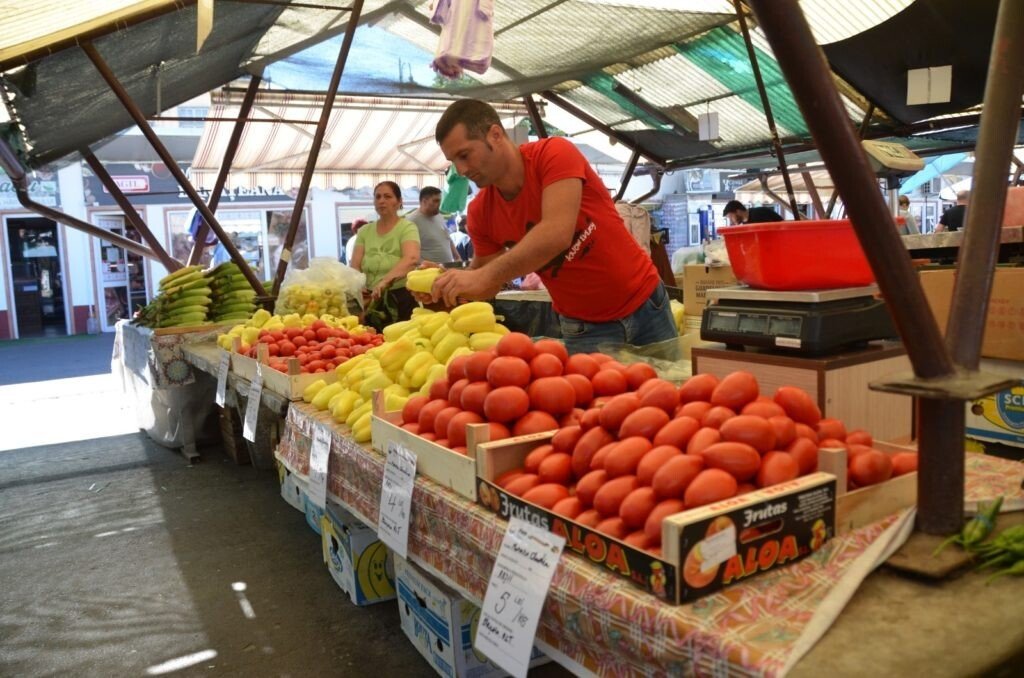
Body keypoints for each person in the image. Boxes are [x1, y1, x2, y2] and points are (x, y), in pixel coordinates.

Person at [420, 99, 677, 354]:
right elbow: (486, 281)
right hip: (585, 329)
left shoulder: (553, 153)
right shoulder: (480, 213)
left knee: (670, 393)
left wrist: (479, 276)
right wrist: (446, 286)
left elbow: (556, 233)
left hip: (646, 306)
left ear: (495, 135)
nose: (462, 169)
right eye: (454, 161)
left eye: (464, 155)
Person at [350, 182, 421, 326]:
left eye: (388, 196)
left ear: (399, 201)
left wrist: (385, 282)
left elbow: (411, 258)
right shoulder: (365, 231)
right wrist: (358, 284)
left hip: (400, 298)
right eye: (378, 197)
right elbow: (355, 264)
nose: (382, 201)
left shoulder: (407, 227)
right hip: (370, 300)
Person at [407, 186, 460, 264]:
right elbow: (408, 253)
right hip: (426, 272)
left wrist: (457, 257)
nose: (439, 204)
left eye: (440, 201)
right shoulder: (411, 221)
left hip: (445, 269)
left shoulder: (438, 216)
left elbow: (447, 238)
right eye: (436, 201)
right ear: (424, 201)